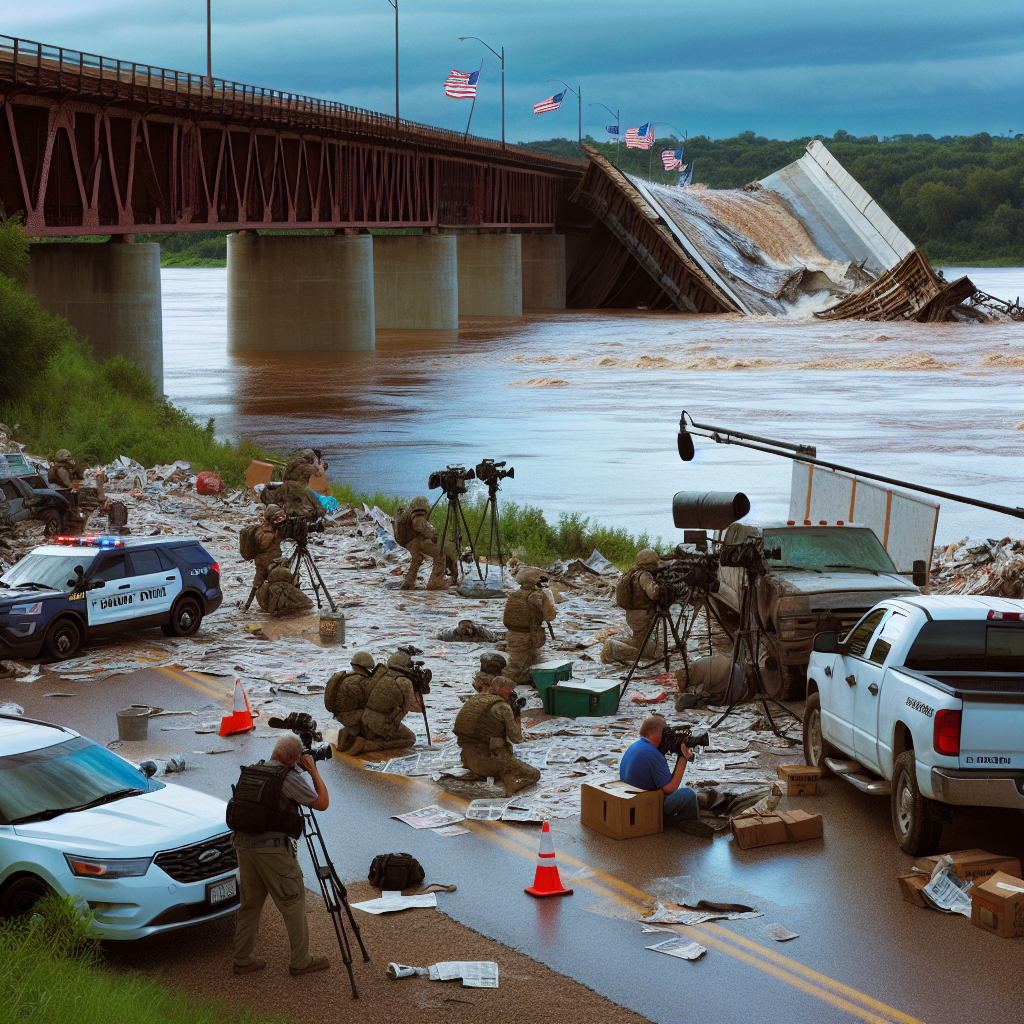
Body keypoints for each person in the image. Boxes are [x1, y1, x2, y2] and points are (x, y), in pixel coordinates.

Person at [231, 734, 331, 977]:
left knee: (251, 904)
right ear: (293, 758)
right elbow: (322, 803)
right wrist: (313, 770)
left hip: (243, 844)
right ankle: (301, 961)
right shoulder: (288, 777)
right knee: (292, 901)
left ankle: (242, 959)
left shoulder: (254, 771)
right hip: (272, 850)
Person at [619, 715, 713, 837]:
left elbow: (665, 783)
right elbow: (670, 788)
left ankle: (679, 821)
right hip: (645, 808)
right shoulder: (653, 754)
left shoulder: (636, 746)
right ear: (658, 734)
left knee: (682, 793)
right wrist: (683, 756)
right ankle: (691, 823)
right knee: (688, 794)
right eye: (665, 733)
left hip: (631, 804)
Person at [453, 684, 540, 796]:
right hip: (488, 762)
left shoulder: (476, 700)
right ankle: (509, 785)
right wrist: (517, 721)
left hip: (467, 759)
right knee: (533, 774)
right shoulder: (502, 708)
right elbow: (517, 738)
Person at [347, 651, 422, 756]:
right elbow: (415, 707)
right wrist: (418, 692)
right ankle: (368, 746)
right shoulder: (404, 681)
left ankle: (358, 738)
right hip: (381, 724)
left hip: (364, 718)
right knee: (410, 738)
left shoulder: (380, 674)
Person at [602, 548, 663, 664]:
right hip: (643, 615)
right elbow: (654, 594)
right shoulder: (644, 575)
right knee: (643, 647)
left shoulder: (631, 573)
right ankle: (613, 646)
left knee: (640, 639)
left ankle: (615, 645)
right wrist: (661, 587)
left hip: (631, 614)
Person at [501, 568, 556, 686]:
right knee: (527, 665)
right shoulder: (538, 596)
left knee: (516, 663)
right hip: (529, 636)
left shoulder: (514, 595)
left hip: (512, 635)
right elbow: (550, 616)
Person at [394, 496, 455, 591]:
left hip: (407, 543)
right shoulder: (417, 515)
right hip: (415, 541)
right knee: (440, 554)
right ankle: (436, 582)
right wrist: (435, 535)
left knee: (417, 558)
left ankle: (408, 583)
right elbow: (422, 527)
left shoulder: (406, 515)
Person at [324, 651, 379, 752]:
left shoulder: (343, 678)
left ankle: (346, 736)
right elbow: (368, 704)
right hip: (351, 718)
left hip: (338, 715)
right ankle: (355, 737)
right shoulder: (362, 682)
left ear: (353, 665)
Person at [251, 504, 285, 593]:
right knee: (257, 585)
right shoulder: (261, 530)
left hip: (275, 561)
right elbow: (264, 544)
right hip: (263, 564)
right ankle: (248, 604)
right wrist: (274, 536)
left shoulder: (276, 528)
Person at [436, 619, 503, 643]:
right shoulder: (450, 634)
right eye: (463, 629)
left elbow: (495, 638)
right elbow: (438, 637)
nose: (466, 630)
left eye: (468, 627)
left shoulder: (481, 631)